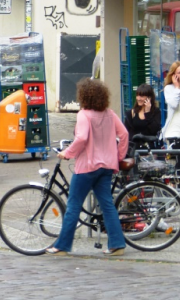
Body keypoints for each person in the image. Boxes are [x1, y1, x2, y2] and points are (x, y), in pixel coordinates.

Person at [45, 78, 128, 256]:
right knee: (107, 205)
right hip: (107, 166)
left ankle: (62, 246)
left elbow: (82, 138)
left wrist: (67, 153)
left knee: (74, 205)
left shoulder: (84, 114)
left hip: (88, 166)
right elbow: (124, 134)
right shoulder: (110, 114)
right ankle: (117, 244)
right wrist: (118, 157)